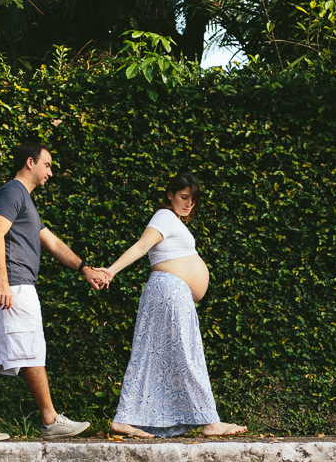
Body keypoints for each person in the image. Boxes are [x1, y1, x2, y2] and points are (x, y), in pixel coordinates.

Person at [0, 141, 102, 441]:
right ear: (29, 163)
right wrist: (3, 280)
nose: (51, 172)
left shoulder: (26, 202)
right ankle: (50, 420)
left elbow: (52, 242)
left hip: (12, 284)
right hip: (13, 285)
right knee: (30, 349)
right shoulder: (12, 192)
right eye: (47, 165)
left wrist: (85, 268)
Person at [89, 172, 247, 438]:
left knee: (151, 356)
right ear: (170, 195)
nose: (189, 204)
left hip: (169, 291)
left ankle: (125, 418)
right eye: (184, 197)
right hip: (169, 291)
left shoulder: (174, 221)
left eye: (193, 201)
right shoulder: (164, 216)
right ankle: (209, 421)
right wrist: (112, 271)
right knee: (188, 353)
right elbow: (141, 247)